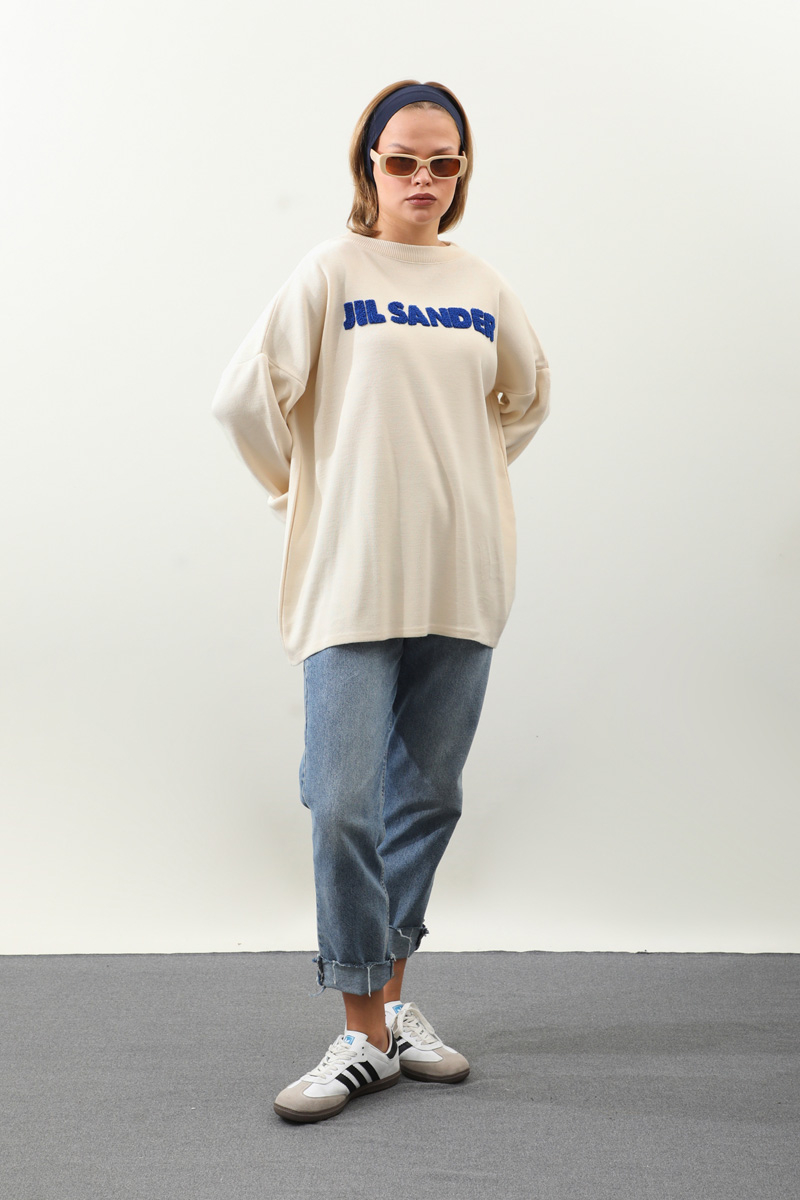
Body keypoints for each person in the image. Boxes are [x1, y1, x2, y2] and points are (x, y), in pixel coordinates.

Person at [211, 79, 551, 1124]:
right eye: (401, 159)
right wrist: (305, 490)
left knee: (427, 799)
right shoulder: (332, 270)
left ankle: (391, 1008)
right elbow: (244, 400)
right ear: (368, 164)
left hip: (461, 575)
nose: (421, 178)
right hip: (350, 580)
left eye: (442, 162)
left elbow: (528, 397)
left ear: (461, 172)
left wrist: (462, 479)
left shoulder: (481, 283)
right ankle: (359, 1033)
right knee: (343, 802)